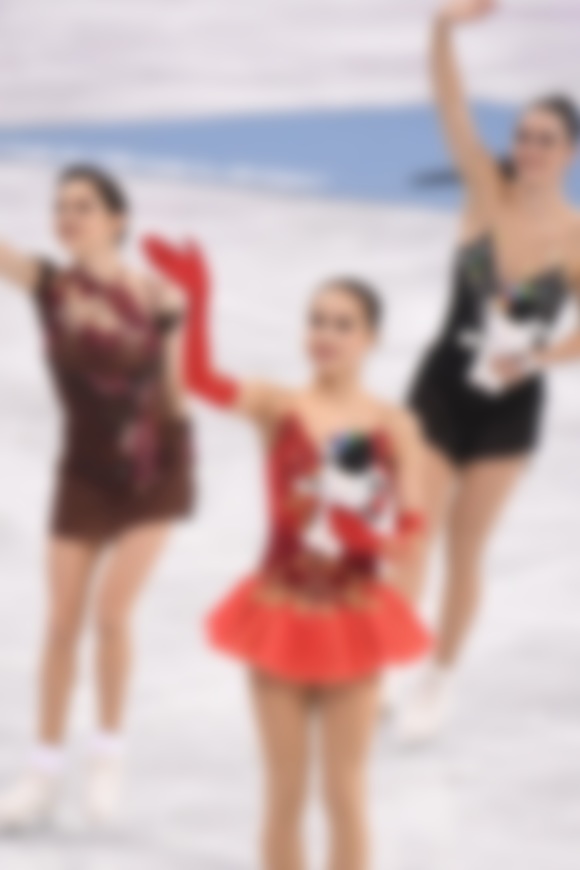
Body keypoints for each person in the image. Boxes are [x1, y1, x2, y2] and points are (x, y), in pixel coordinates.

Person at [144, 236, 431, 870]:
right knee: (285, 795)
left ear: (372, 337)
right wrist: (196, 296)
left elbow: (413, 529)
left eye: (343, 324)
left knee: (344, 794)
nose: (325, 334)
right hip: (280, 611)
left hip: (353, 616)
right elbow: (197, 379)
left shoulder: (396, 425)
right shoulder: (279, 406)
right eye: (316, 321)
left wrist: (374, 538)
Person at [399, 0, 580, 742]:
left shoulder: (575, 238)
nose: (529, 148)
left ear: (570, 152)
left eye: (546, 139)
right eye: (523, 135)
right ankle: (382, 662)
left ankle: (438, 680)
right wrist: (442, 28)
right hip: (442, 387)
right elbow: (450, 102)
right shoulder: (483, 189)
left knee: (464, 548)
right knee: (412, 536)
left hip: (509, 407)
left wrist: (537, 355)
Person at [0, 166, 193, 828]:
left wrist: (175, 469)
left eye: (83, 205)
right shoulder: (51, 287)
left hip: (151, 469)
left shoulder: (158, 296)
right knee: (61, 623)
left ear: (117, 219)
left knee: (111, 614)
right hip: (82, 471)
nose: (68, 216)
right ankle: (42, 773)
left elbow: (173, 391)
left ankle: (107, 756)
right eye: (61, 206)